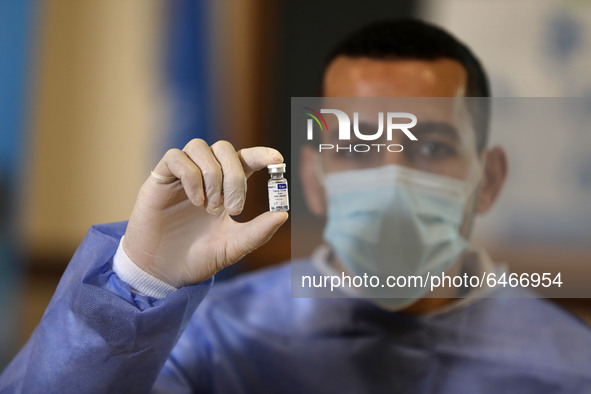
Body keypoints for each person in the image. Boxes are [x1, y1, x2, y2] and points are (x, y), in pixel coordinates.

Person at [2, 19, 591, 393]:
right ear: (312, 176)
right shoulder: (212, 339)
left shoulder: (571, 364)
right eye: (356, 146)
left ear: (488, 179)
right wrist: (140, 279)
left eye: (430, 146)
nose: (391, 181)